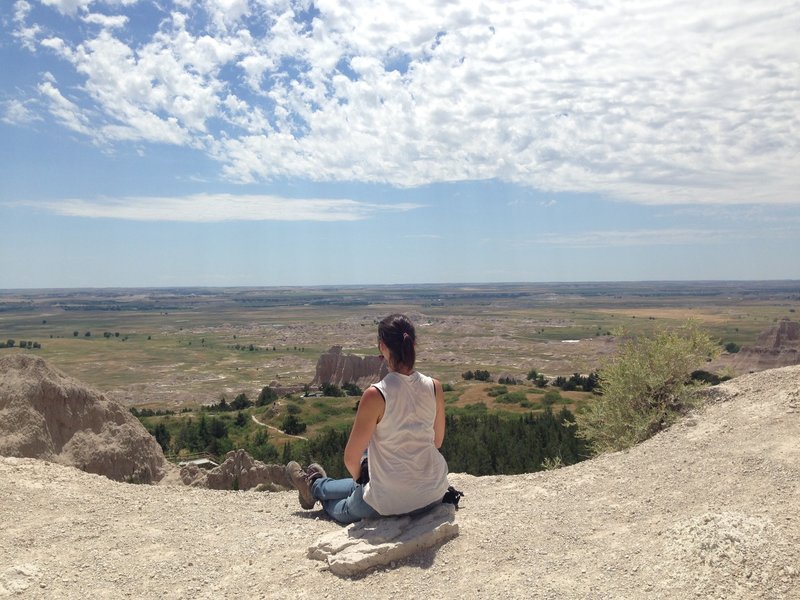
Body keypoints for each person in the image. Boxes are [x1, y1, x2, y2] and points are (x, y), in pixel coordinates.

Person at [285, 313, 450, 524]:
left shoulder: (377, 394)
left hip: (388, 503)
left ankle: (314, 489)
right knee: (367, 471)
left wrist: (362, 482)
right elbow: (436, 442)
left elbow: (350, 459)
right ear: (414, 343)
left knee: (343, 505)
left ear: (382, 346)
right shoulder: (435, 386)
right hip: (432, 494)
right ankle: (316, 483)